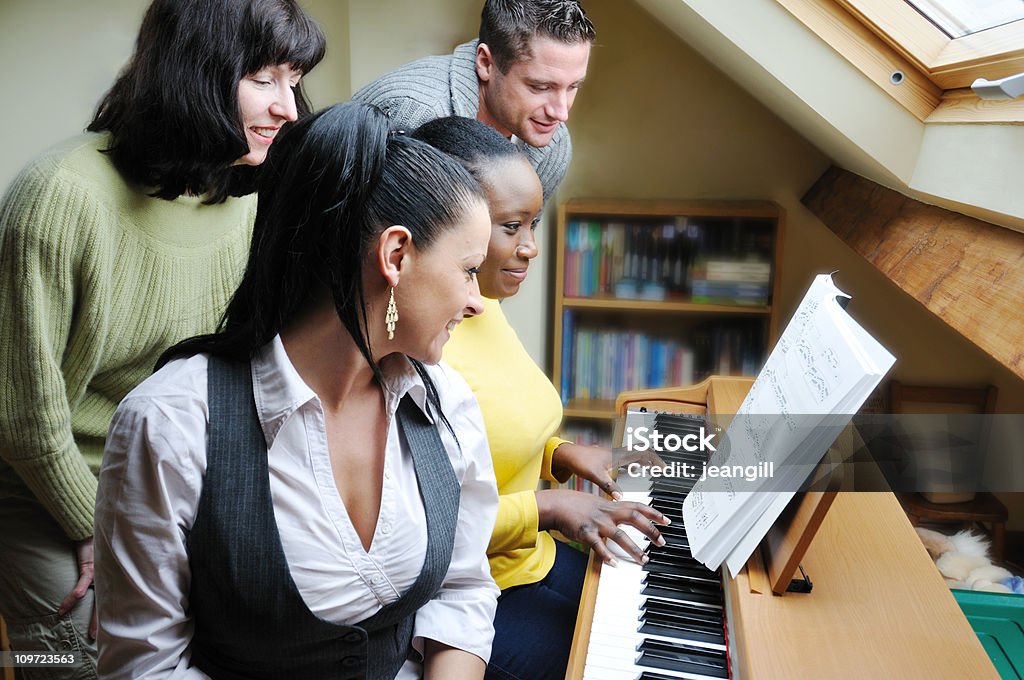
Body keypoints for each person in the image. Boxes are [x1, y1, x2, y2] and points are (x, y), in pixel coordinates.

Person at [93, 101, 501, 680]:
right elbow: (145, 666)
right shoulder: (172, 423)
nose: (475, 301)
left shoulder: (446, 405)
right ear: (395, 255)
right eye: (467, 269)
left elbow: (462, 589)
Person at [0, 0, 324, 675]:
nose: (289, 108)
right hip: (54, 488)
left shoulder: (243, 192)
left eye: (293, 79)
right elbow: (24, 415)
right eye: (264, 79)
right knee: (86, 658)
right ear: (196, 75)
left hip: (174, 478)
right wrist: (96, 525)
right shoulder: (60, 196)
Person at [412, 116, 669, 680]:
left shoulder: (484, 300)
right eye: (511, 227)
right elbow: (422, 525)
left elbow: (493, 427)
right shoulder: (422, 339)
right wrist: (550, 507)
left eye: (534, 222)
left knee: (660, 589)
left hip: (532, 559)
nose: (530, 247)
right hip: (473, 599)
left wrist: (564, 453)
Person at [353, 0, 595, 204]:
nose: (561, 112)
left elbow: (512, 251)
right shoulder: (416, 114)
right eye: (540, 87)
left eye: (573, 86)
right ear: (485, 63)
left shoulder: (553, 144)